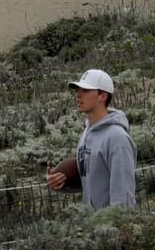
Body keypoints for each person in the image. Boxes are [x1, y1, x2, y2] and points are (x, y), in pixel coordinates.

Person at [46, 69, 137, 209]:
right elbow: (90, 179)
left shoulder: (117, 139)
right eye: (78, 90)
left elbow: (123, 197)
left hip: (111, 226)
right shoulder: (87, 132)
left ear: (103, 96)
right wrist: (60, 182)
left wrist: (116, 226)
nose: (78, 94)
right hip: (93, 224)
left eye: (86, 90)